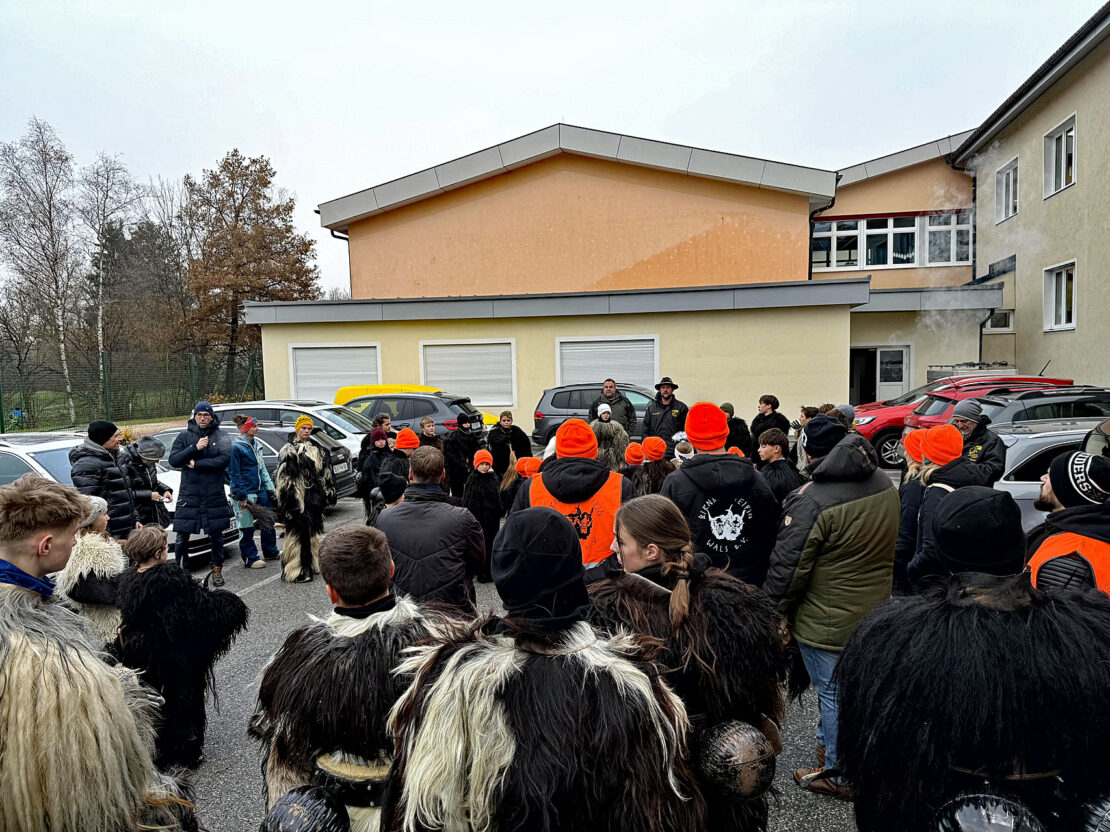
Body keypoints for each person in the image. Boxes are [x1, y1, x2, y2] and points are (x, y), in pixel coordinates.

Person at [384, 508, 707, 832]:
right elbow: (657, 811)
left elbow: (420, 805)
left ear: (504, 575)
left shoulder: (451, 679)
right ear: (572, 568)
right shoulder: (629, 686)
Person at [836, 550, 1110, 830]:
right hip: (1048, 807)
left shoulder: (894, 640)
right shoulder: (1088, 635)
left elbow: (875, 759)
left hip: (935, 808)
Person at [0, 474, 196, 832]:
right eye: (71, 536)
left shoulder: (31, 601)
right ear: (45, 545)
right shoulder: (40, 650)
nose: (76, 542)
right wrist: (125, 695)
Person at [589, 494, 791, 831]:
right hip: (727, 770)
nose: (613, 546)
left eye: (621, 541)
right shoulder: (734, 601)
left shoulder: (610, 611)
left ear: (651, 551)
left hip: (655, 781)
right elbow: (760, 688)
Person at [250, 526, 443, 831]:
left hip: (329, 816)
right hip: (423, 810)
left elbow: (280, 740)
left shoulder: (297, 659)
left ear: (331, 591)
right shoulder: (440, 647)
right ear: (391, 570)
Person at [763, 414, 899, 799]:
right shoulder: (882, 482)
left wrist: (772, 612)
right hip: (873, 610)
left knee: (832, 693)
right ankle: (832, 755)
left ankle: (839, 773)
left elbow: (787, 571)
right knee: (854, 691)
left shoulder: (813, 501)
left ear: (810, 450)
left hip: (827, 620)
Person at [115, 525, 248, 769]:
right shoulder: (171, 580)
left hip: (140, 650)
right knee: (182, 698)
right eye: (165, 548)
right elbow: (199, 612)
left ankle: (157, 746)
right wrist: (230, 603)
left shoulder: (129, 578)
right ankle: (186, 749)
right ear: (158, 554)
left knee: (154, 697)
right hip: (173, 654)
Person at [661, 402, 779, 586]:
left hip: (696, 585)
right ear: (725, 433)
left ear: (690, 437)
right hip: (749, 583)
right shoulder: (758, 479)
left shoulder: (675, 483)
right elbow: (772, 533)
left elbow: (665, 541)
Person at [511, 418, 635, 567]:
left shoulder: (531, 487)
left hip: (550, 581)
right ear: (595, 450)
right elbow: (635, 542)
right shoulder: (621, 485)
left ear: (558, 451)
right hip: (609, 581)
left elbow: (514, 543)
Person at [375, 446, 485, 612]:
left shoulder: (384, 518)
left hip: (404, 614)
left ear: (410, 474)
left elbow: (380, 568)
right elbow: (478, 563)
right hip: (452, 615)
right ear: (443, 475)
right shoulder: (462, 518)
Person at [903, 424, 980, 593]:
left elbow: (929, 549)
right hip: (960, 578)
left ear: (929, 455)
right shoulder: (970, 477)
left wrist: (911, 569)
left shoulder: (936, 491)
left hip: (933, 586)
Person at [168, 401, 233, 583]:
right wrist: (194, 448)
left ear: (212, 417)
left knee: (216, 535)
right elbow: (174, 459)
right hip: (190, 494)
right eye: (199, 415)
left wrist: (198, 464)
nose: (203, 418)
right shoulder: (184, 436)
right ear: (194, 417)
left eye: (206, 415)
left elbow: (224, 459)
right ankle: (182, 574)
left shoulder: (222, 436)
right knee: (182, 535)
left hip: (214, 493)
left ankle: (217, 571)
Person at [1027, 450, 1110, 591]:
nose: (1043, 478)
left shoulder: (1069, 557)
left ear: (1065, 490)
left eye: (1050, 476)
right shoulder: (1095, 533)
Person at [55, 494, 128, 647]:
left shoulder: (87, 541)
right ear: (91, 518)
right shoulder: (89, 548)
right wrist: (131, 586)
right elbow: (84, 588)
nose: (108, 518)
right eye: (104, 514)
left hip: (105, 620)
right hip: (105, 624)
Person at [276, 415, 336, 584]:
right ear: (297, 429)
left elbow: (326, 472)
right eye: (303, 428)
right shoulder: (288, 449)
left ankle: (312, 564)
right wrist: (291, 501)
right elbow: (284, 479)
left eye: (309, 428)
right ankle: (298, 569)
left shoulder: (317, 448)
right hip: (297, 496)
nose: (307, 431)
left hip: (313, 495)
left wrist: (327, 492)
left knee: (313, 531)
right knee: (297, 533)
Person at [69, 419, 140, 540]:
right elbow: (90, 505)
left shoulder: (117, 457)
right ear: (103, 439)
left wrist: (135, 520)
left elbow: (125, 494)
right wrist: (105, 533)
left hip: (127, 527)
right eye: (115, 436)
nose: (120, 439)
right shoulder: (86, 465)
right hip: (109, 531)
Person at [229, 415, 279, 569]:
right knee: (246, 526)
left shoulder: (257, 444)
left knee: (268, 521)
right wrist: (240, 494)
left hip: (260, 490)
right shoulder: (236, 447)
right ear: (244, 429)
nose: (256, 429)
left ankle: (270, 551)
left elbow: (262, 468)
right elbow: (234, 473)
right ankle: (250, 557)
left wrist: (270, 489)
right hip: (245, 493)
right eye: (253, 426)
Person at [892, 428, 926, 594]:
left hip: (909, 565)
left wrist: (896, 566)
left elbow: (905, 531)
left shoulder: (914, 485)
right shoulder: (922, 477)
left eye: (907, 448)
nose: (904, 452)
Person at [463, 449, 502, 580]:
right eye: (482, 464)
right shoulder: (473, 479)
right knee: (480, 544)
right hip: (479, 518)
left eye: (487, 464)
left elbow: (497, 496)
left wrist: (499, 509)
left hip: (492, 518)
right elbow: (468, 500)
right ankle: (480, 570)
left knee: (492, 543)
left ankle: (490, 569)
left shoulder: (493, 478)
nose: (485, 467)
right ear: (476, 464)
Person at [119, 435, 173, 528]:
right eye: (152, 460)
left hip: (153, 513)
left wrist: (165, 490)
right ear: (142, 456)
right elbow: (121, 492)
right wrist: (148, 495)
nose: (156, 462)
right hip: (137, 516)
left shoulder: (147, 462)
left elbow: (150, 481)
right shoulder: (125, 463)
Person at [950, 399, 1006, 485]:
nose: (960, 425)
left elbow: (994, 472)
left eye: (964, 421)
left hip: (975, 492)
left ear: (975, 420)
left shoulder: (992, 440)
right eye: (957, 421)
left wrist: (960, 468)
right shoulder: (951, 435)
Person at [642, 376, 689, 458]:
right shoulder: (651, 408)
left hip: (674, 452)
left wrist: (681, 448)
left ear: (672, 389)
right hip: (656, 451)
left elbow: (686, 430)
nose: (665, 390)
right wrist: (648, 447)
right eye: (663, 387)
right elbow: (645, 430)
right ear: (660, 390)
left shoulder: (681, 408)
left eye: (668, 387)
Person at [757, 428, 805, 505]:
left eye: (763, 446)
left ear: (776, 449)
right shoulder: (793, 469)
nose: (759, 450)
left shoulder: (771, 474)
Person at [442, 418, 484, 497]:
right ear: (461, 423)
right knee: (457, 490)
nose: (468, 424)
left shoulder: (472, 436)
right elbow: (450, 453)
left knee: (471, 489)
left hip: (469, 466)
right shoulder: (453, 437)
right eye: (465, 423)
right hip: (456, 468)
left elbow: (476, 449)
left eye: (469, 422)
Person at [487, 410, 532, 478]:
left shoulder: (517, 431)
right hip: (500, 463)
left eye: (508, 420)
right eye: (504, 421)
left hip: (515, 462)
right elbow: (492, 449)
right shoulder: (495, 432)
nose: (506, 423)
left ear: (511, 421)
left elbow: (525, 447)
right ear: (500, 421)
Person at [750, 396, 791, 468]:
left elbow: (780, 439)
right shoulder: (758, 419)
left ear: (769, 406)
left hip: (772, 456)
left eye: (761, 403)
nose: (759, 406)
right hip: (758, 455)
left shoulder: (779, 420)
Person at [591, 402, 630, 470]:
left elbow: (621, 447)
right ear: (600, 414)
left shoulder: (616, 428)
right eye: (604, 413)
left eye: (608, 413)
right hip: (596, 460)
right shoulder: (593, 428)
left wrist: (621, 461)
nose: (606, 415)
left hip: (612, 460)